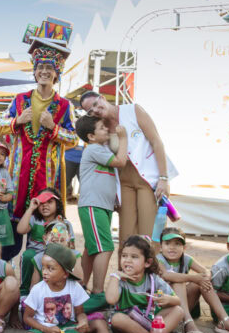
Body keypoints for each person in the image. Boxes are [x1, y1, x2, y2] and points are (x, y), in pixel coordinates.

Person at [79, 91, 177, 255]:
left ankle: (150, 270)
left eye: (95, 104)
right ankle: (124, 271)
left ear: (102, 98)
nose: (95, 110)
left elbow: (156, 141)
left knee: (149, 233)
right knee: (126, 237)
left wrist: (163, 178)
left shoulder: (133, 110)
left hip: (147, 180)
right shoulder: (100, 128)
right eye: (90, 111)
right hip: (123, 183)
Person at [20, 243, 139, 333]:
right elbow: (27, 318)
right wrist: (46, 330)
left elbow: (80, 313)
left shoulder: (74, 286)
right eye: (43, 267)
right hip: (47, 331)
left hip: (70, 328)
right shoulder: (38, 290)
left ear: (65, 274)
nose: (44, 272)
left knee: (99, 322)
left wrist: (82, 321)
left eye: (50, 268)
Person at [0, 23, 77, 219]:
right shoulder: (19, 99)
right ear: (34, 71)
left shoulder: (65, 105)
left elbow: (74, 139)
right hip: (19, 169)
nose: (44, 71)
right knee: (15, 219)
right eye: (40, 67)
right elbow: (0, 124)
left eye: (50, 68)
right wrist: (17, 121)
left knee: (44, 217)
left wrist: (53, 128)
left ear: (57, 73)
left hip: (48, 172)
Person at [156, 227, 229, 333]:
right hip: (163, 307)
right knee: (178, 280)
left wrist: (204, 278)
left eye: (177, 244)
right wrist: (193, 278)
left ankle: (225, 320)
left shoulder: (186, 259)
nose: (172, 247)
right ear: (160, 247)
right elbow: (166, 275)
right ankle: (188, 322)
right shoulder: (158, 259)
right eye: (167, 243)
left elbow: (206, 271)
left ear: (184, 247)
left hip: (183, 305)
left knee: (200, 282)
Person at [75, 115, 128, 312]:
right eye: (101, 128)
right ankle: (97, 292)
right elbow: (120, 162)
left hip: (100, 206)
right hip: (93, 205)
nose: (106, 129)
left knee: (92, 249)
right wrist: (123, 138)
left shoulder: (101, 149)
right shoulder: (94, 149)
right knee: (105, 248)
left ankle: (80, 286)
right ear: (91, 136)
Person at [106, 235, 185, 333]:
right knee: (116, 319)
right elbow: (111, 300)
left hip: (149, 321)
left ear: (147, 262)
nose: (127, 260)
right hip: (129, 327)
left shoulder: (153, 279)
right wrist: (115, 276)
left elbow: (177, 301)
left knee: (178, 311)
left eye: (134, 257)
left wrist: (168, 299)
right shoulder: (119, 280)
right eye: (124, 256)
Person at [16, 188, 75, 296]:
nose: (45, 205)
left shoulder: (64, 223)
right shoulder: (34, 219)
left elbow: (71, 246)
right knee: (28, 255)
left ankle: (67, 291)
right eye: (41, 203)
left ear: (57, 204)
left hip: (57, 255)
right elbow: (20, 230)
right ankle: (25, 292)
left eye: (50, 202)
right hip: (35, 253)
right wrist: (30, 208)